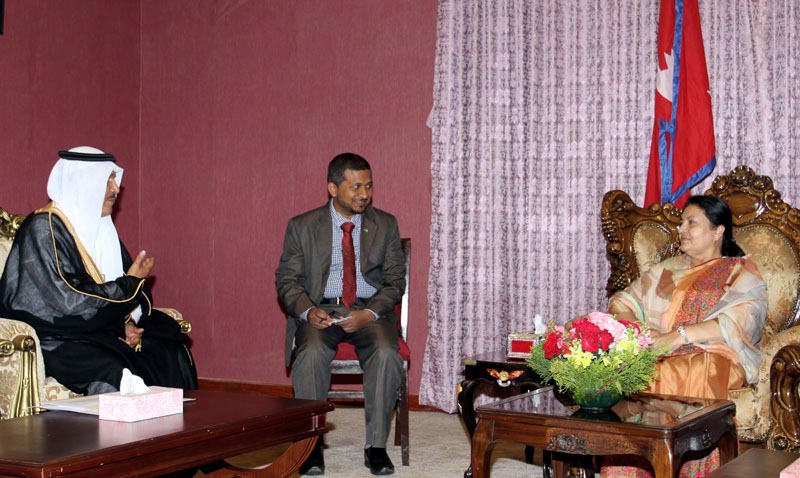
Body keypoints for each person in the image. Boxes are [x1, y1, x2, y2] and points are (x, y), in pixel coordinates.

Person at [0, 146, 197, 396]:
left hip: (95, 328)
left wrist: (127, 322)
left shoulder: (102, 228)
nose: (116, 189)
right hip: (57, 337)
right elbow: (67, 300)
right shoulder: (43, 228)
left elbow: (127, 291)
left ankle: (181, 421)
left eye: (115, 179)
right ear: (82, 183)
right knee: (112, 368)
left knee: (167, 344)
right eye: (108, 181)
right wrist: (129, 285)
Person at [601, 195, 768, 478]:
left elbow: (743, 320)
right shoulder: (668, 270)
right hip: (659, 350)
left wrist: (679, 337)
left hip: (714, 355)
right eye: (681, 223)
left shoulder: (739, 271)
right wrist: (641, 332)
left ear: (718, 231)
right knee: (633, 368)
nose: (682, 229)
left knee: (692, 368)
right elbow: (623, 301)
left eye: (692, 223)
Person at [276, 152, 405, 476]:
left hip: (369, 310)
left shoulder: (385, 224)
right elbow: (288, 281)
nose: (364, 194)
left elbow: (395, 282)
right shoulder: (302, 226)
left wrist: (370, 313)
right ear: (333, 188)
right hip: (321, 309)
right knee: (311, 353)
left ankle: (376, 447)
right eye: (355, 186)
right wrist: (308, 311)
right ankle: (311, 445)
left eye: (369, 186)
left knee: (386, 352)